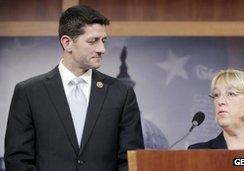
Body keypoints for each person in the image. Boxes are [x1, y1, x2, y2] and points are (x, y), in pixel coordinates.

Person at [4, 5, 144, 171]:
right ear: (67, 43)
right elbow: (18, 160)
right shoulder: (28, 93)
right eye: (93, 41)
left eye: (103, 41)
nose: (102, 49)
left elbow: (130, 160)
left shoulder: (122, 93)